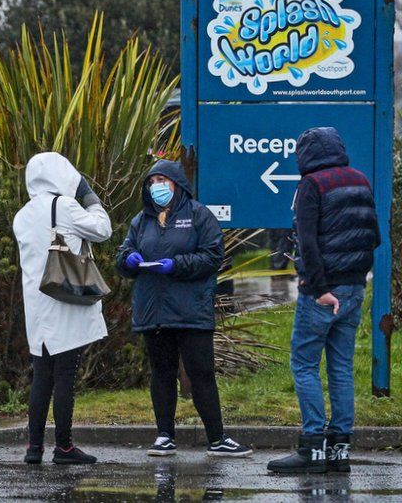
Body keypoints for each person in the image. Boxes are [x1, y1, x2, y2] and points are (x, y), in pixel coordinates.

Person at [115, 159, 253, 458]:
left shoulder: (199, 215)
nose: (156, 187)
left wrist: (176, 265)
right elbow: (123, 253)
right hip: (154, 311)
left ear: (177, 183)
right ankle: (164, 436)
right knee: (161, 373)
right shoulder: (141, 221)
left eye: (162, 180)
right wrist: (127, 260)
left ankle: (217, 438)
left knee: (201, 373)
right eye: (151, 182)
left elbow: (213, 256)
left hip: (191, 311)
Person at [267, 127, 379, 475]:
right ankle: (340, 450)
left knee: (304, 364)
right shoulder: (359, 179)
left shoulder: (311, 185)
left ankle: (312, 447)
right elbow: (372, 235)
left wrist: (318, 287)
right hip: (354, 288)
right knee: (341, 369)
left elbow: (308, 242)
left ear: (306, 155)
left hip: (323, 291)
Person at [13, 152, 112, 465]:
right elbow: (102, 230)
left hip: (38, 307)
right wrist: (90, 199)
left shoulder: (22, 215)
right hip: (64, 301)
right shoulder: (65, 206)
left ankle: (34, 447)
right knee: (65, 375)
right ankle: (65, 446)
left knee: (42, 375)